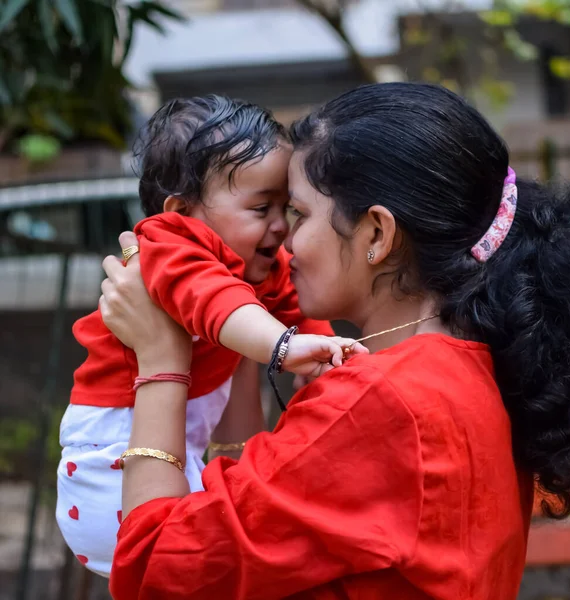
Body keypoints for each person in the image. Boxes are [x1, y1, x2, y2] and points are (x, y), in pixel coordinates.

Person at [99, 83, 570, 599]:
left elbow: (152, 570)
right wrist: (237, 333)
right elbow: (252, 516)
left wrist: (160, 361)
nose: (286, 241)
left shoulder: (380, 401)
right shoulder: (469, 367)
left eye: (299, 213)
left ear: (377, 235)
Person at [56, 95, 365, 577]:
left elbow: (297, 313)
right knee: (184, 563)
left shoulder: (260, 264)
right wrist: (284, 348)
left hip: (181, 452)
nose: (281, 227)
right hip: (109, 462)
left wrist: (326, 359)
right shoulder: (169, 245)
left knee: (219, 548)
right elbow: (219, 303)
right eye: (262, 207)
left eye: (288, 208)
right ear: (182, 211)